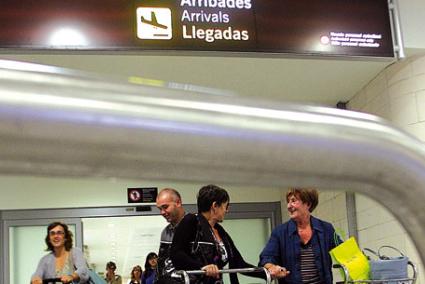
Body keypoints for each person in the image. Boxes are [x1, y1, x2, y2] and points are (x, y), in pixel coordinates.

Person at [170, 184, 265, 284]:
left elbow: (239, 263)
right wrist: (201, 268)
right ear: (215, 206)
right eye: (226, 206)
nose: (227, 210)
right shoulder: (191, 221)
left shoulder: (220, 231)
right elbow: (176, 254)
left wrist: (266, 272)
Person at [259, 188, 341, 284]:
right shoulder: (280, 232)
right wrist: (272, 267)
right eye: (288, 202)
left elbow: (344, 252)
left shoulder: (326, 229)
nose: (289, 206)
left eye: (293, 201)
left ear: (308, 204)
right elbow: (266, 257)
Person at [155, 188, 186, 283]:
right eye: (160, 209)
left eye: (165, 207)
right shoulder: (165, 232)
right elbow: (162, 264)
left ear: (178, 202)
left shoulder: (197, 227)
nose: (162, 212)